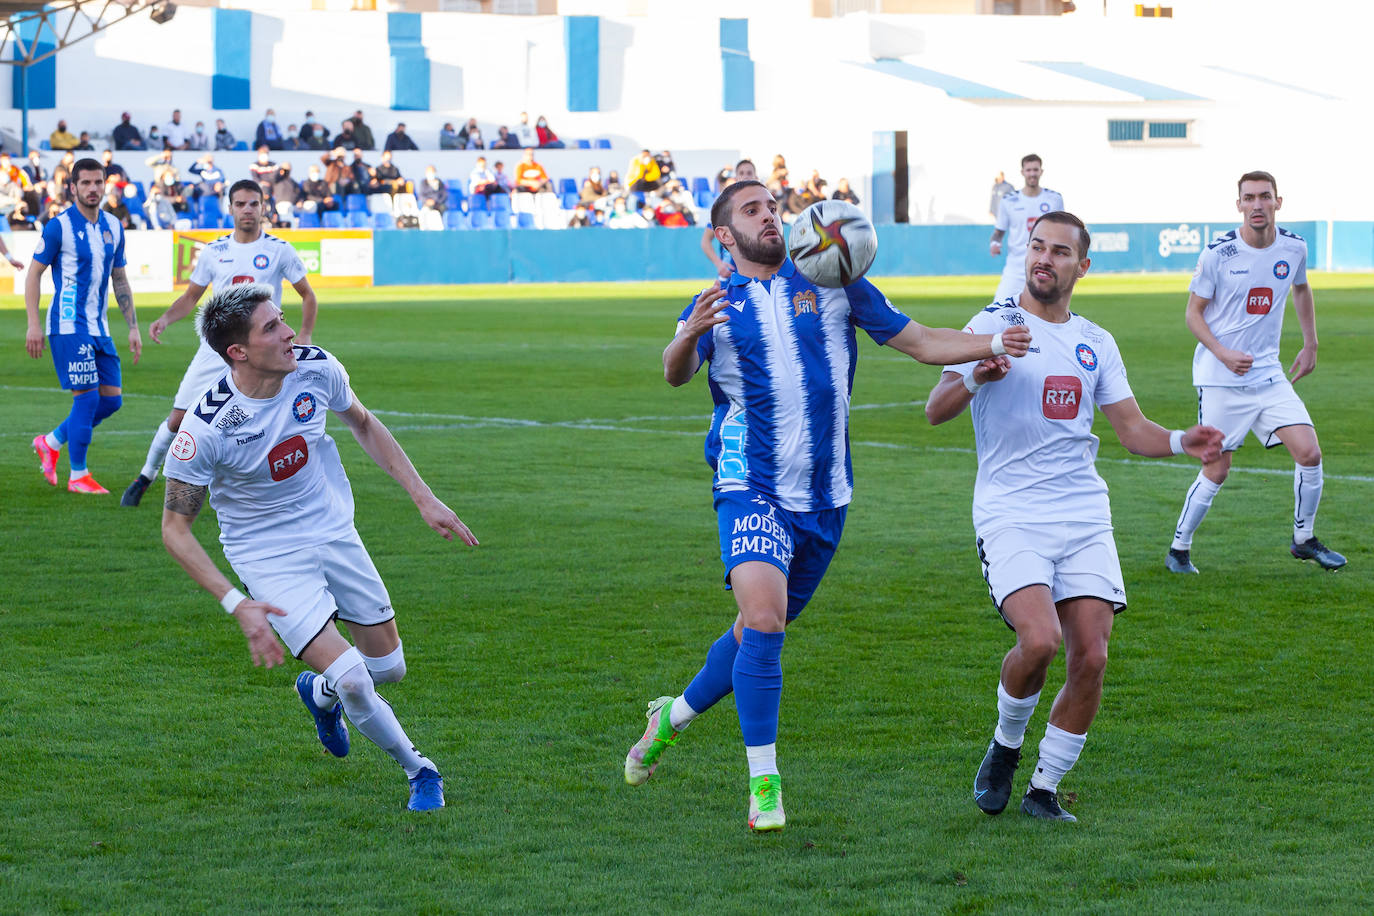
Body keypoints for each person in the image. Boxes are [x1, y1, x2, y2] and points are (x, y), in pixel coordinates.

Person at [622, 179, 1032, 832]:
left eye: (772, 207)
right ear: (725, 235)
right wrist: (687, 335)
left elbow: (921, 342)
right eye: (752, 211)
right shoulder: (715, 303)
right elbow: (675, 372)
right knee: (761, 619)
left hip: (824, 496)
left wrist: (992, 343)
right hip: (748, 482)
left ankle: (669, 719)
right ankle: (765, 788)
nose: (769, 217)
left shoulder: (834, 283)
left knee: (758, 634)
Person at [925, 211, 1223, 823]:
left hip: (1083, 513)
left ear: (1081, 266)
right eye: (1037, 247)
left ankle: (1043, 790)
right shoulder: (992, 325)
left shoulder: (1097, 342)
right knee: (1039, 640)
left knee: (1091, 656)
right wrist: (979, 373)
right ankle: (1006, 747)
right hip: (1010, 511)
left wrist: (1178, 441)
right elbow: (936, 408)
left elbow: (1131, 429)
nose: (1045, 258)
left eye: (1060, 251)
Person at [160, 282, 478, 811]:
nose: (289, 332)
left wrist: (424, 498)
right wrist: (235, 602)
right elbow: (175, 529)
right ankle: (420, 769)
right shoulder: (205, 427)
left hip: (332, 529)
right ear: (237, 352)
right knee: (355, 680)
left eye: (283, 319)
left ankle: (319, 693)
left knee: (388, 670)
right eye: (272, 328)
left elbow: (363, 422)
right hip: (267, 555)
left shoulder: (316, 367)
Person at [1166, 171, 1345, 573]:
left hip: (1268, 374)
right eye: (1250, 198)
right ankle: (1179, 549)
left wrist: (1311, 342)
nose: (1258, 205)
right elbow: (1193, 314)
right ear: (1239, 205)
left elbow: (1301, 288)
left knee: (1310, 452)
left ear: (1278, 202)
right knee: (1217, 468)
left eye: (1265, 197)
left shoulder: (1294, 248)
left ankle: (1304, 540)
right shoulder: (1218, 253)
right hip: (1220, 377)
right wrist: (1224, 353)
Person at [119, 179, 318, 507]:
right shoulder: (214, 252)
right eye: (240, 204)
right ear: (230, 208)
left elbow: (307, 294)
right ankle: (146, 475)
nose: (247, 210)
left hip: (258, 354)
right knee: (179, 419)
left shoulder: (279, 250)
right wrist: (165, 319)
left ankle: (262, 487)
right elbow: (191, 297)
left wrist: (306, 334)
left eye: (253, 203)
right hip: (215, 351)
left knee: (261, 418)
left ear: (263, 207)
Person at [25, 157, 142, 494]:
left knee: (111, 400)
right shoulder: (58, 226)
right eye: (86, 183)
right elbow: (34, 274)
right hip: (67, 323)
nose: (93, 189)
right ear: (73, 187)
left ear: (105, 185)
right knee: (87, 399)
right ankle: (79, 476)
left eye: (98, 182)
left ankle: (51, 442)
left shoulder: (114, 226)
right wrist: (34, 324)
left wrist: (132, 326)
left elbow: (119, 278)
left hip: (99, 326)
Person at [990, 154, 1064, 302]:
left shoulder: (1054, 199)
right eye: (1029, 170)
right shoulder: (1009, 200)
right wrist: (995, 243)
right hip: (1016, 268)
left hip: (1044, 267)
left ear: (1041, 172)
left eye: (1035, 170)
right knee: (998, 307)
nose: (1032, 174)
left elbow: (1061, 232)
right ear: (1022, 172)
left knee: (1047, 315)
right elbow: (999, 232)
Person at [700, 158, 756, 277]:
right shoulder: (722, 206)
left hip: (756, 273)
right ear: (736, 177)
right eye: (741, 173)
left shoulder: (766, 207)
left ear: (756, 177)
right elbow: (705, 241)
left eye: (749, 173)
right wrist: (719, 264)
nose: (746, 176)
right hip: (730, 274)